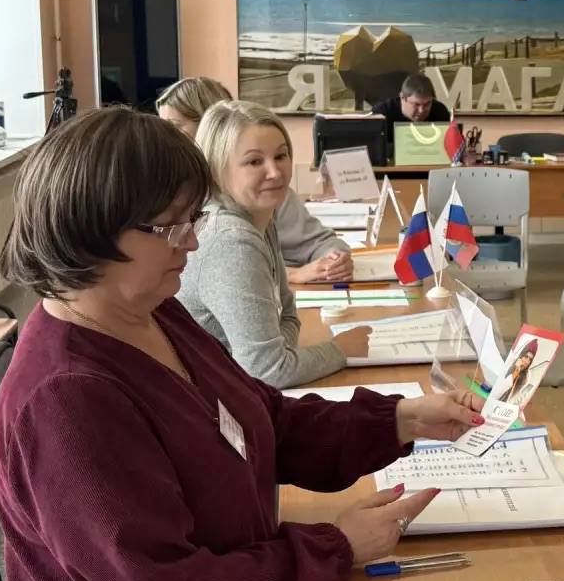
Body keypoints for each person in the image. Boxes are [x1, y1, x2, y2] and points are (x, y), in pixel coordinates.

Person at [0, 107, 485, 581]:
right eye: (169, 227)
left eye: (192, 218)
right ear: (91, 232)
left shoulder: (151, 310)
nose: (193, 240)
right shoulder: (67, 398)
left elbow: (262, 420)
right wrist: (333, 547)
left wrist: (399, 419)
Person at [178, 100, 358, 387]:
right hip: (211, 404)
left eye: (281, 155)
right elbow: (267, 371)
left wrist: (277, 350)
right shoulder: (230, 239)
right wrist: (342, 350)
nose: (275, 172)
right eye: (254, 161)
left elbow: (288, 318)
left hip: (233, 392)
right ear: (217, 169)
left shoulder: (261, 217)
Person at [157, 77, 353, 282]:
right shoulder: (193, 211)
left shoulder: (266, 195)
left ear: (212, 128)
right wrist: (293, 275)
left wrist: (334, 261)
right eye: (254, 161)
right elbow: (226, 268)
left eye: (173, 127)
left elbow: (320, 242)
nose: (274, 173)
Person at [371, 72, 452, 127]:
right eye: (416, 104)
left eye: (427, 104)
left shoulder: (440, 112)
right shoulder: (382, 114)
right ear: (402, 97)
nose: (421, 110)